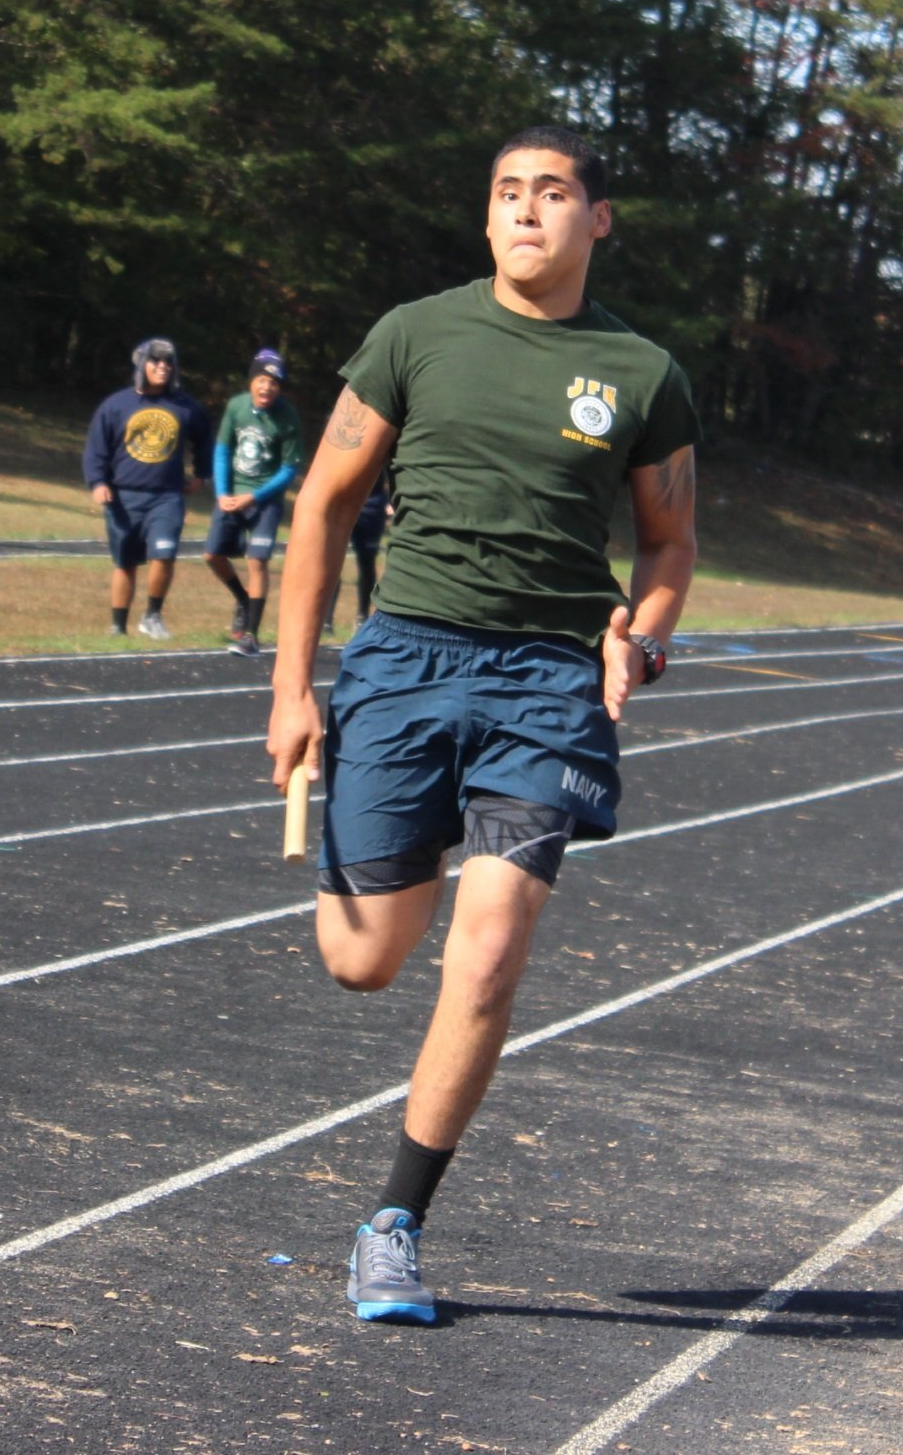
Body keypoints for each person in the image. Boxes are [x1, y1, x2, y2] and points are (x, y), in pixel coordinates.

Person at [264, 126, 700, 1326]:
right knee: (363, 961)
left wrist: (645, 634)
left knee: (494, 948)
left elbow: (667, 542)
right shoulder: (417, 334)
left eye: (552, 194)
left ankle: (396, 1223)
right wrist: (294, 686)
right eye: (508, 193)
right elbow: (323, 506)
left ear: (596, 219)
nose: (525, 213)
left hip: (551, 681)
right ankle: (413, 826)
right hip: (405, 658)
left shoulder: (643, 371)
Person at [80, 337, 209, 641]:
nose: (163, 367)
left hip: (166, 497)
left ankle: (152, 615)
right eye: (156, 361)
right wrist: (98, 483)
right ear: (141, 365)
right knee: (125, 563)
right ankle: (118, 626)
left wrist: (201, 474)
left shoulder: (184, 406)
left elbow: (204, 439)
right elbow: (95, 449)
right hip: (124, 497)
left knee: (163, 555)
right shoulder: (116, 405)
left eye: (168, 362)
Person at [205, 348, 305, 655]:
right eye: (262, 380)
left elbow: (289, 468)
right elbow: (222, 451)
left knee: (257, 561)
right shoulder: (236, 407)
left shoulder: (288, 418)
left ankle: (251, 634)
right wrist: (223, 493)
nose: (267, 387)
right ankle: (243, 598)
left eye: (274, 383)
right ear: (251, 381)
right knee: (212, 555)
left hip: (265, 501)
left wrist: (255, 497)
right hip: (233, 494)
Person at [325, 471, 392, 638]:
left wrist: (391, 501)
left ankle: (362, 615)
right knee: (332, 561)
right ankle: (326, 619)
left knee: (367, 561)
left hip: (372, 504)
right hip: (342, 500)